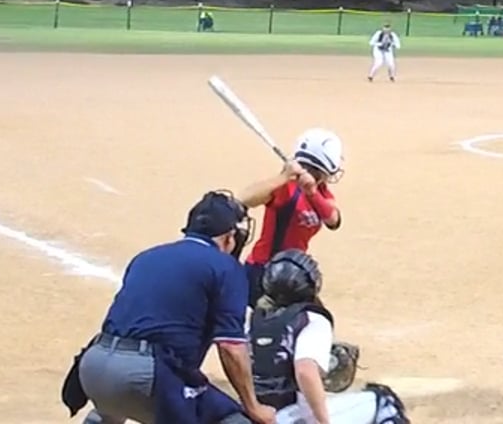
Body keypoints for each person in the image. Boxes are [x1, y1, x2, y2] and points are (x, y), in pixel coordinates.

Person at [62, 192, 276, 424]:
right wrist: (253, 407)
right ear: (229, 236)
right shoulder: (226, 267)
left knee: (114, 408)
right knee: (234, 420)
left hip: (93, 366)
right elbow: (230, 347)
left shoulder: (145, 257)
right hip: (144, 375)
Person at [248, 249, 410, 424]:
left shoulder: (251, 320)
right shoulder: (311, 319)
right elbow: (305, 371)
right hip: (294, 418)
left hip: (255, 417)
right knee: (384, 401)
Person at [238, 129, 345, 307]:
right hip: (264, 271)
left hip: (293, 272)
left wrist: (311, 192)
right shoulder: (286, 188)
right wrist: (283, 177)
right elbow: (243, 200)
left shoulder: (321, 191)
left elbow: (333, 220)